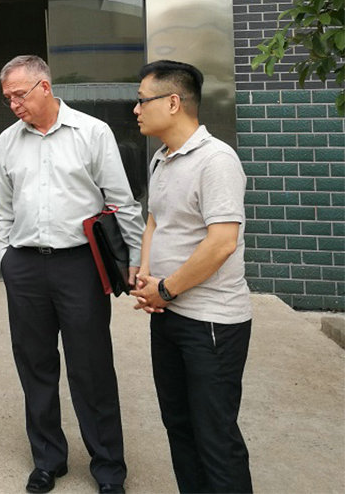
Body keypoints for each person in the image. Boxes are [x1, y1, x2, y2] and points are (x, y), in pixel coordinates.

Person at [0, 55, 143, 494]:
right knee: (35, 365)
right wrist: (5, 257)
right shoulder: (7, 141)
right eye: (7, 98)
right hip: (24, 265)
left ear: (44, 86)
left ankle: (108, 467)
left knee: (91, 367)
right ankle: (48, 460)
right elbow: (1, 207)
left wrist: (135, 261)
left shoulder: (92, 132)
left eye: (19, 95)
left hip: (80, 265)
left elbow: (121, 201)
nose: (14, 105)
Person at [131, 60, 253, 493]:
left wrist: (165, 289)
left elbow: (222, 243)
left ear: (173, 102)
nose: (136, 110)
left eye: (142, 100)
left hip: (211, 321)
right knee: (179, 426)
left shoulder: (217, 160)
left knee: (215, 437)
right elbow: (155, 221)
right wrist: (146, 276)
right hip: (168, 316)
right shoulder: (161, 159)